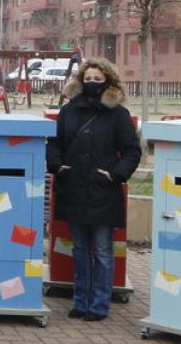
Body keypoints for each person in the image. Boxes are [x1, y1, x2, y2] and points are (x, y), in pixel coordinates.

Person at [46, 57, 140, 322]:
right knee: (79, 249)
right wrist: (57, 165)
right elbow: (54, 143)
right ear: (80, 80)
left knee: (101, 251)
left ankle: (99, 305)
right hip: (74, 187)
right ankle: (80, 301)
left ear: (108, 81)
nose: (92, 83)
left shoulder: (118, 114)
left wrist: (115, 175)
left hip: (103, 190)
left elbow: (132, 151)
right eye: (88, 79)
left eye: (98, 79)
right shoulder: (69, 110)